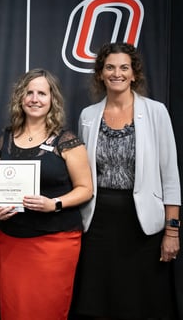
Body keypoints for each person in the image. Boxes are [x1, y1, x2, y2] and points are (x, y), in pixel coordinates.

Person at [72, 42, 181, 319]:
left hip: (142, 224)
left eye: (124, 67)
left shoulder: (156, 112)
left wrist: (172, 231)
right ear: (100, 74)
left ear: (134, 74)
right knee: (98, 299)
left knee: (140, 301)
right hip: (98, 222)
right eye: (109, 67)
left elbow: (169, 176)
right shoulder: (88, 115)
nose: (116, 73)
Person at [0, 68, 93, 320]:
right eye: (29, 92)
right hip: (11, 240)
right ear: (20, 98)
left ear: (52, 100)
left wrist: (54, 204)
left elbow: (85, 189)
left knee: (48, 308)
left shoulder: (66, 140)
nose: (35, 99)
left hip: (55, 241)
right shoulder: (4, 140)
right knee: (15, 308)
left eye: (42, 93)